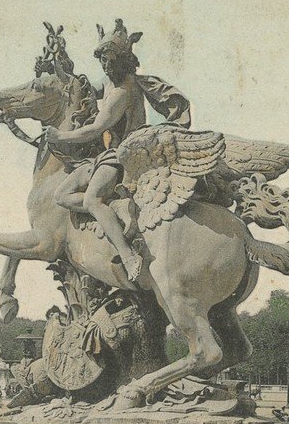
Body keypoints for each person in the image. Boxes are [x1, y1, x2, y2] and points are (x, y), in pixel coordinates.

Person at [46, 19, 192, 283]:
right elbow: (84, 87)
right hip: (104, 156)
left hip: (122, 156)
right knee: (61, 195)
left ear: (122, 59)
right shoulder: (110, 82)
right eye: (101, 59)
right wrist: (59, 64)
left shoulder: (122, 92)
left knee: (91, 200)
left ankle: (128, 255)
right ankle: (115, 208)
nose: (104, 65)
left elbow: (94, 129)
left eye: (109, 59)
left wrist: (60, 135)